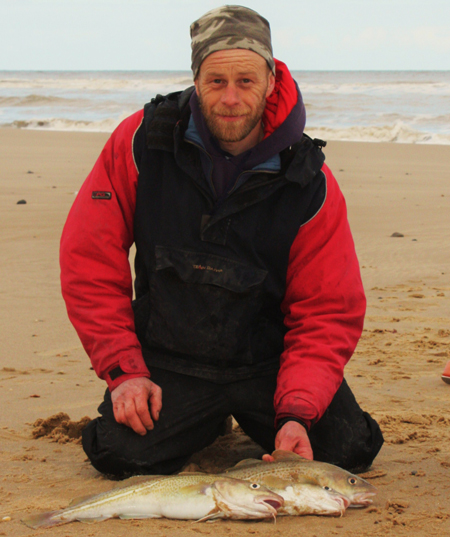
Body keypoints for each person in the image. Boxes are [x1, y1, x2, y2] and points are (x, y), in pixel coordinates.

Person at [60, 5, 383, 478]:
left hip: (266, 363)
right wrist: (125, 372)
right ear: (196, 80)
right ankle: (203, 419)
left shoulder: (308, 179)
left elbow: (327, 309)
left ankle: (258, 413)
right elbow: (89, 258)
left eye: (246, 81)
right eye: (216, 81)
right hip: (171, 357)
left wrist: (296, 410)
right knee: (118, 455)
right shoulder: (141, 142)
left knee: (348, 449)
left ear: (271, 81)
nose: (231, 98)